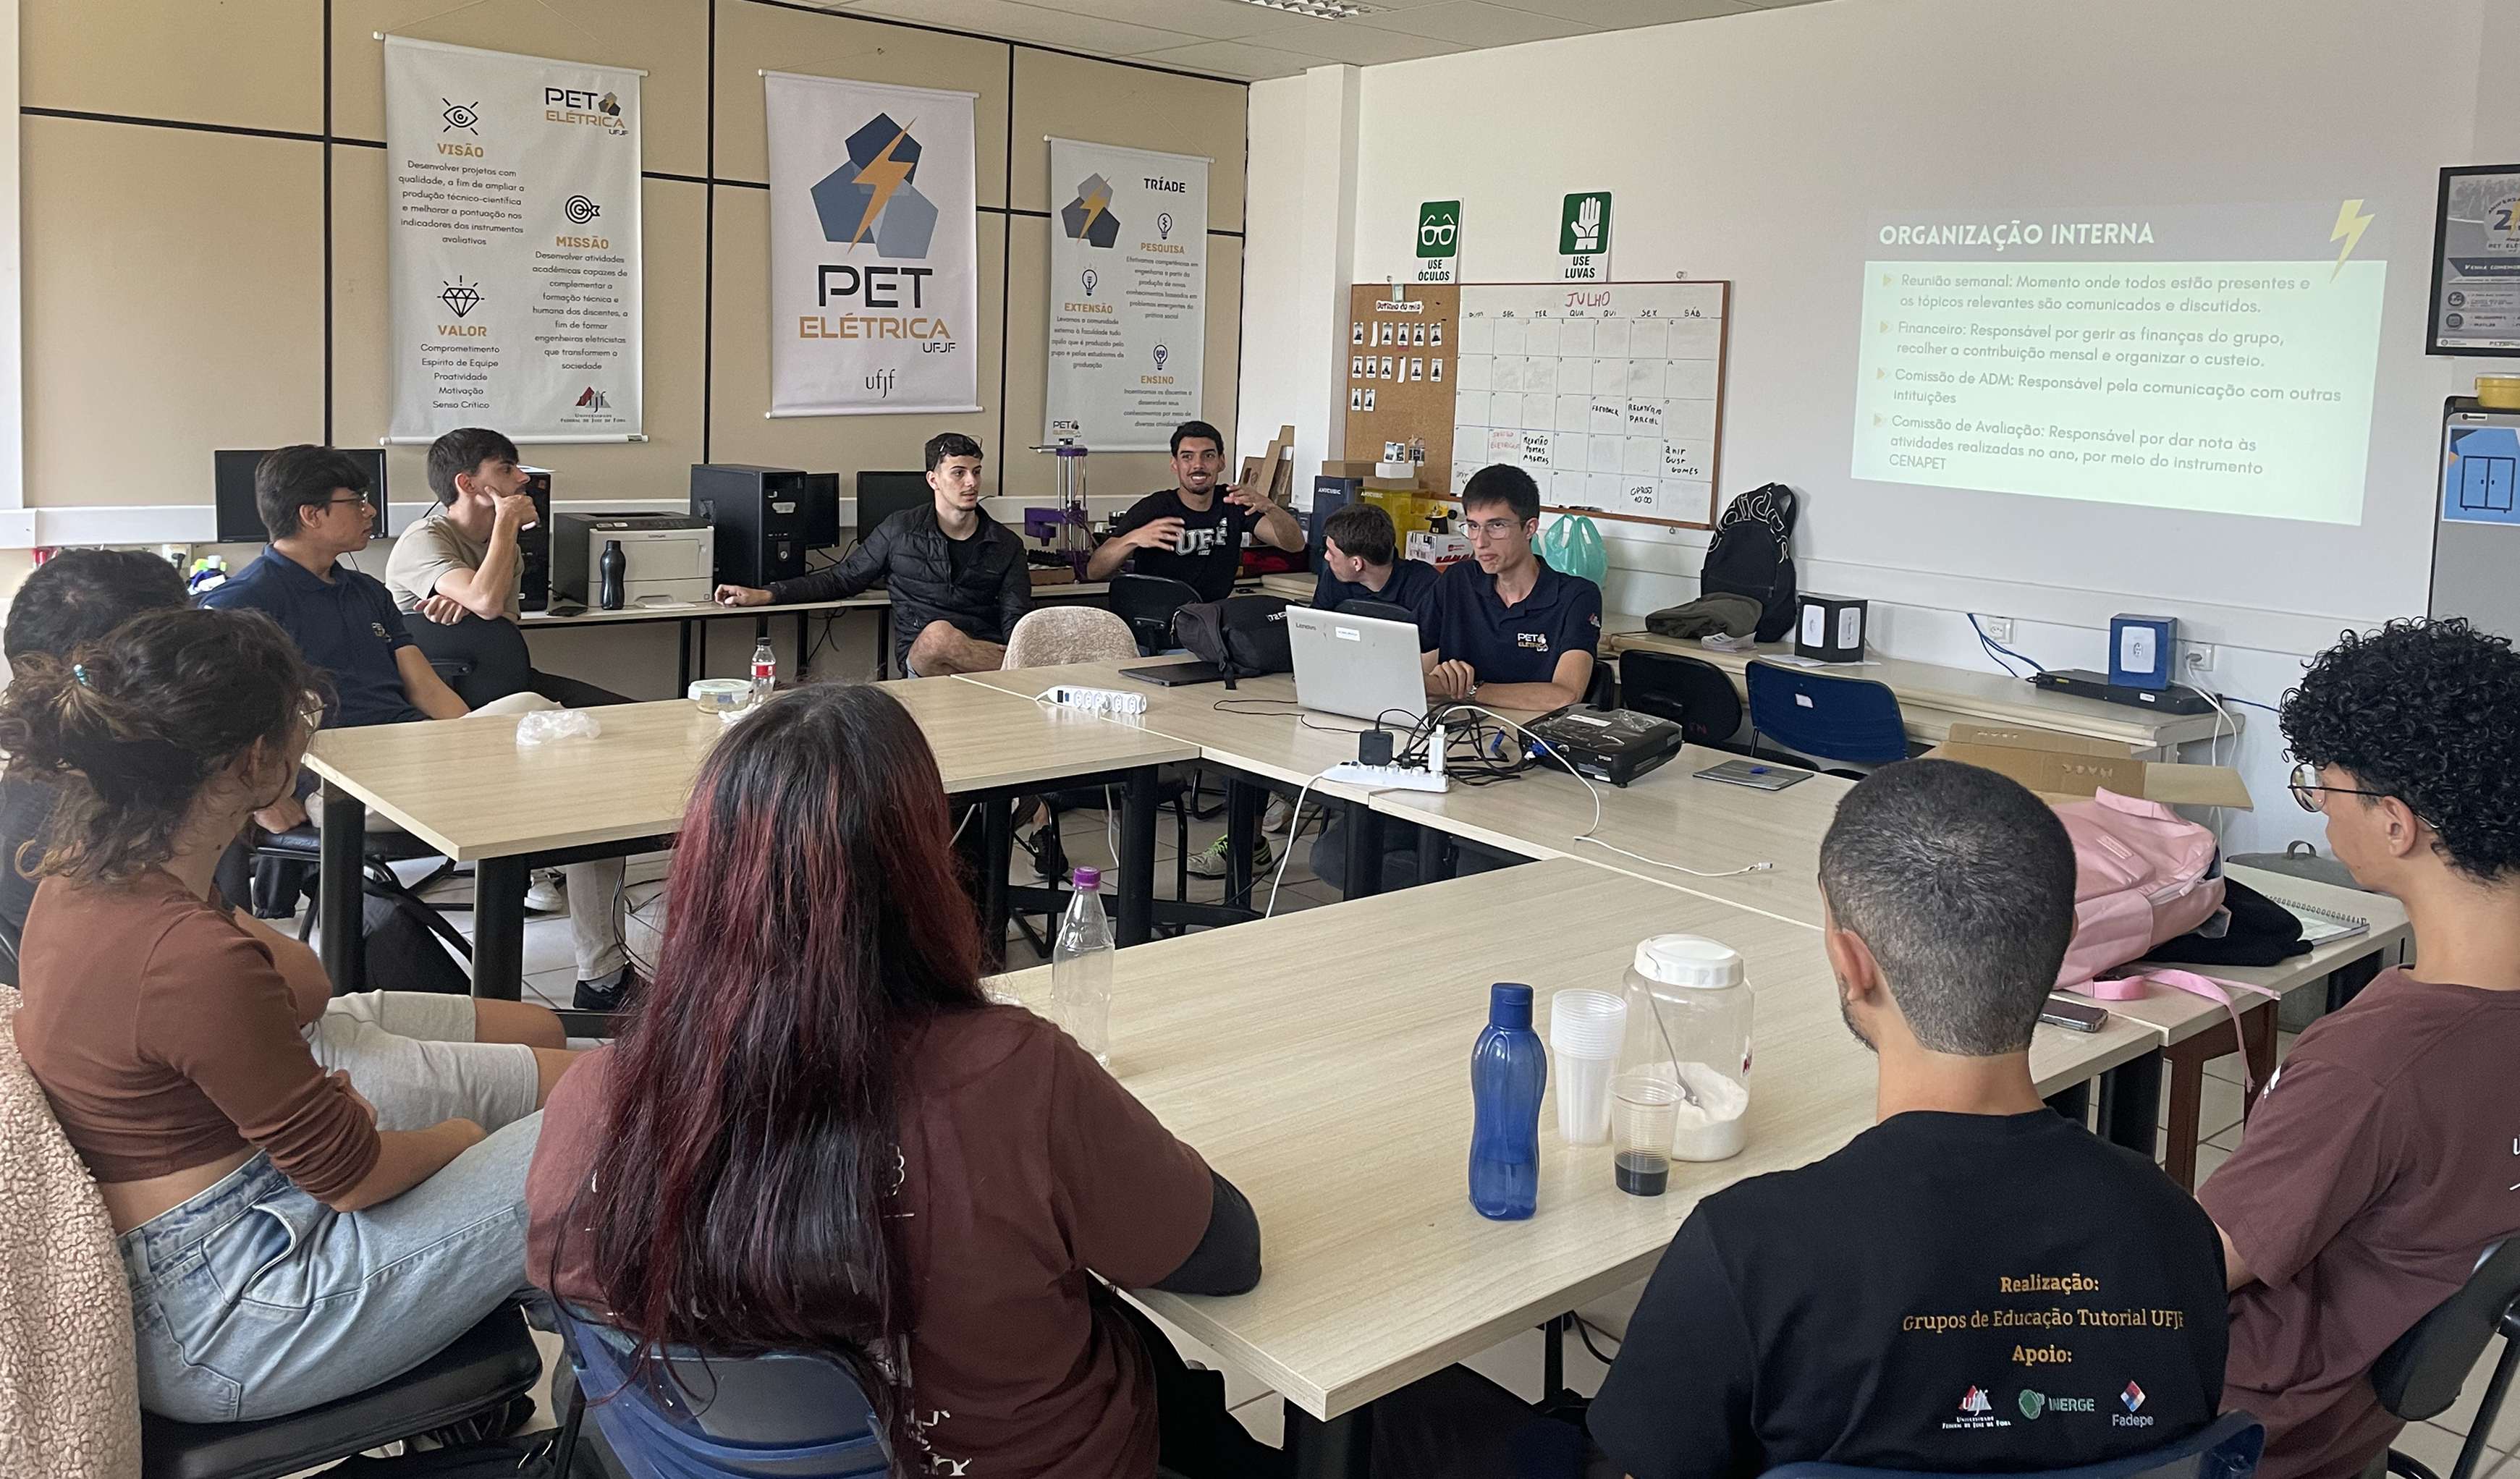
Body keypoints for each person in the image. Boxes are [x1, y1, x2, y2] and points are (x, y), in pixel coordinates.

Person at [1371, 759, 2229, 1478]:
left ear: (1848, 960)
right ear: (2059, 953)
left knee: (1400, 1414)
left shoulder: (1750, 1249)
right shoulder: (2176, 1229)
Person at [525, 683, 1273, 1478]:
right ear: (922, 869)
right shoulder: (1017, 1081)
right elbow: (1225, 1252)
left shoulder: (592, 1103)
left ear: (701, 877)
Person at [2, 606, 546, 1423]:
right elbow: (353, 1175)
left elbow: (303, 989)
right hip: (227, 1313)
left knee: (542, 1061)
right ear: (258, 757)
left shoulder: (92, 871)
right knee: (601, 1126)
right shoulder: (185, 953)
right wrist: (469, 1139)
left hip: (212, 1237)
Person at [0, 547, 573, 1121]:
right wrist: (460, 1140)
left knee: (539, 1031)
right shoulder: (104, 840)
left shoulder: (99, 804)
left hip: (241, 1028)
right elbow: (291, 993)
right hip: (232, 1070)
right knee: (583, 1089)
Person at [2197, 618, 2520, 1479]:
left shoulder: (2372, 1068)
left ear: (2393, 823)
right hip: (2353, 1425)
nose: (2316, 806)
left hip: (2239, 1428)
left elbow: (2191, 1266)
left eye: (2321, 788)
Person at [202, 446, 640, 1011]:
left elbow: (426, 691)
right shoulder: (244, 602)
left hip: (416, 754)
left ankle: (603, 977)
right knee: (553, 745)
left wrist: (479, 742)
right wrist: (265, 803)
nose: (370, 513)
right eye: (356, 503)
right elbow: (211, 714)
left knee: (558, 741)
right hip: (344, 782)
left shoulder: (365, 592)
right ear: (310, 514)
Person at [713, 432, 1030, 678]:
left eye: (976, 472)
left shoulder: (1006, 544)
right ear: (933, 480)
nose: (972, 482)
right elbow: (842, 579)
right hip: (928, 657)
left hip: (988, 657)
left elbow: (1018, 624)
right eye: (958, 473)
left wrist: (1019, 655)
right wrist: (765, 595)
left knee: (1039, 640)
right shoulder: (899, 531)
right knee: (939, 635)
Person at [384, 426, 628, 710]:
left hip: (498, 680)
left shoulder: (506, 548)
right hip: (435, 691)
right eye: (506, 469)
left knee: (625, 712)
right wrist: (507, 521)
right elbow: (487, 603)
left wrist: (466, 600)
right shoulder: (423, 538)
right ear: (467, 484)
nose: (524, 477)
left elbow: (503, 625)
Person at [1418, 465, 1601, 712]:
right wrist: (1433, 682)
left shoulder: (1576, 596)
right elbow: (1398, 658)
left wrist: (1468, 690)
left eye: (1497, 526)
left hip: (1529, 739)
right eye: (1473, 526)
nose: (1481, 542)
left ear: (1530, 528)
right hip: (1460, 729)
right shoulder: (1458, 580)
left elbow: (1565, 695)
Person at [1088, 420, 1305, 602]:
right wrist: (1133, 539)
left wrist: (1271, 508)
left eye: (1208, 456)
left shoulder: (1233, 502)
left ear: (1221, 462)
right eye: (1187, 457)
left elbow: (1294, 545)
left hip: (1212, 623)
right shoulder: (1154, 508)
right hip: (1160, 625)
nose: (1198, 465)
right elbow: (1095, 570)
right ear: (1174, 464)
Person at [1311, 501, 1440, 618]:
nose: (1327, 557)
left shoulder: (1425, 587)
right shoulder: (1334, 580)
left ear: (1357, 563)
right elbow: (1313, 628)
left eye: (1332, 553)